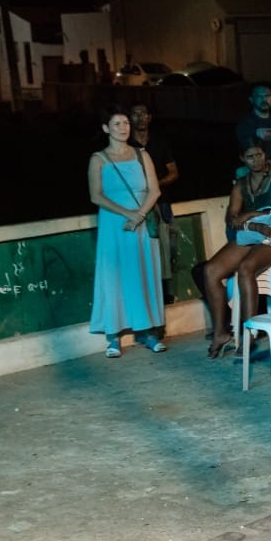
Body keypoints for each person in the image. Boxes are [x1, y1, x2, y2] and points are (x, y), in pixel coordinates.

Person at [201, 143, 271, 358]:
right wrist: (253, 220)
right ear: (243, 159)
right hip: (254, 232)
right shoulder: (241, 184)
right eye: (250, 156)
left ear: (265, 154)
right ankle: (220, 333)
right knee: (210, 271)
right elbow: (232, 219)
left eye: (259, 154)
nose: (256, 160)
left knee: (246, 267)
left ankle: (250, 333)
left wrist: (248, 217)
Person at [88, 105, 166, 357]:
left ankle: (148, 332)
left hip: (141, 223)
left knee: (143, 274)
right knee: (114, 276)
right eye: (117, 124)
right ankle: (113, 337)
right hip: (114, 225)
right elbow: (96, 196)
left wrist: (139, 215)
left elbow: (155, 190)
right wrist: (128, 214)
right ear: (106, 129)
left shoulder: (141, 155)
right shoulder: (98, 159)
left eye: (126, 123)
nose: (123, 128)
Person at [129, 103, 178, 304]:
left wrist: (154, 185)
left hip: (162, 203)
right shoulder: (126, 144)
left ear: (149, 118)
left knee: (168, 250)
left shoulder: (159, 141)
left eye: (144, 114)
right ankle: (146, 295)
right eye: (135, 114)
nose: (140, 117)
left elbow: (174, 173)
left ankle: (167, 295)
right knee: (142, 253)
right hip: (137, 206)